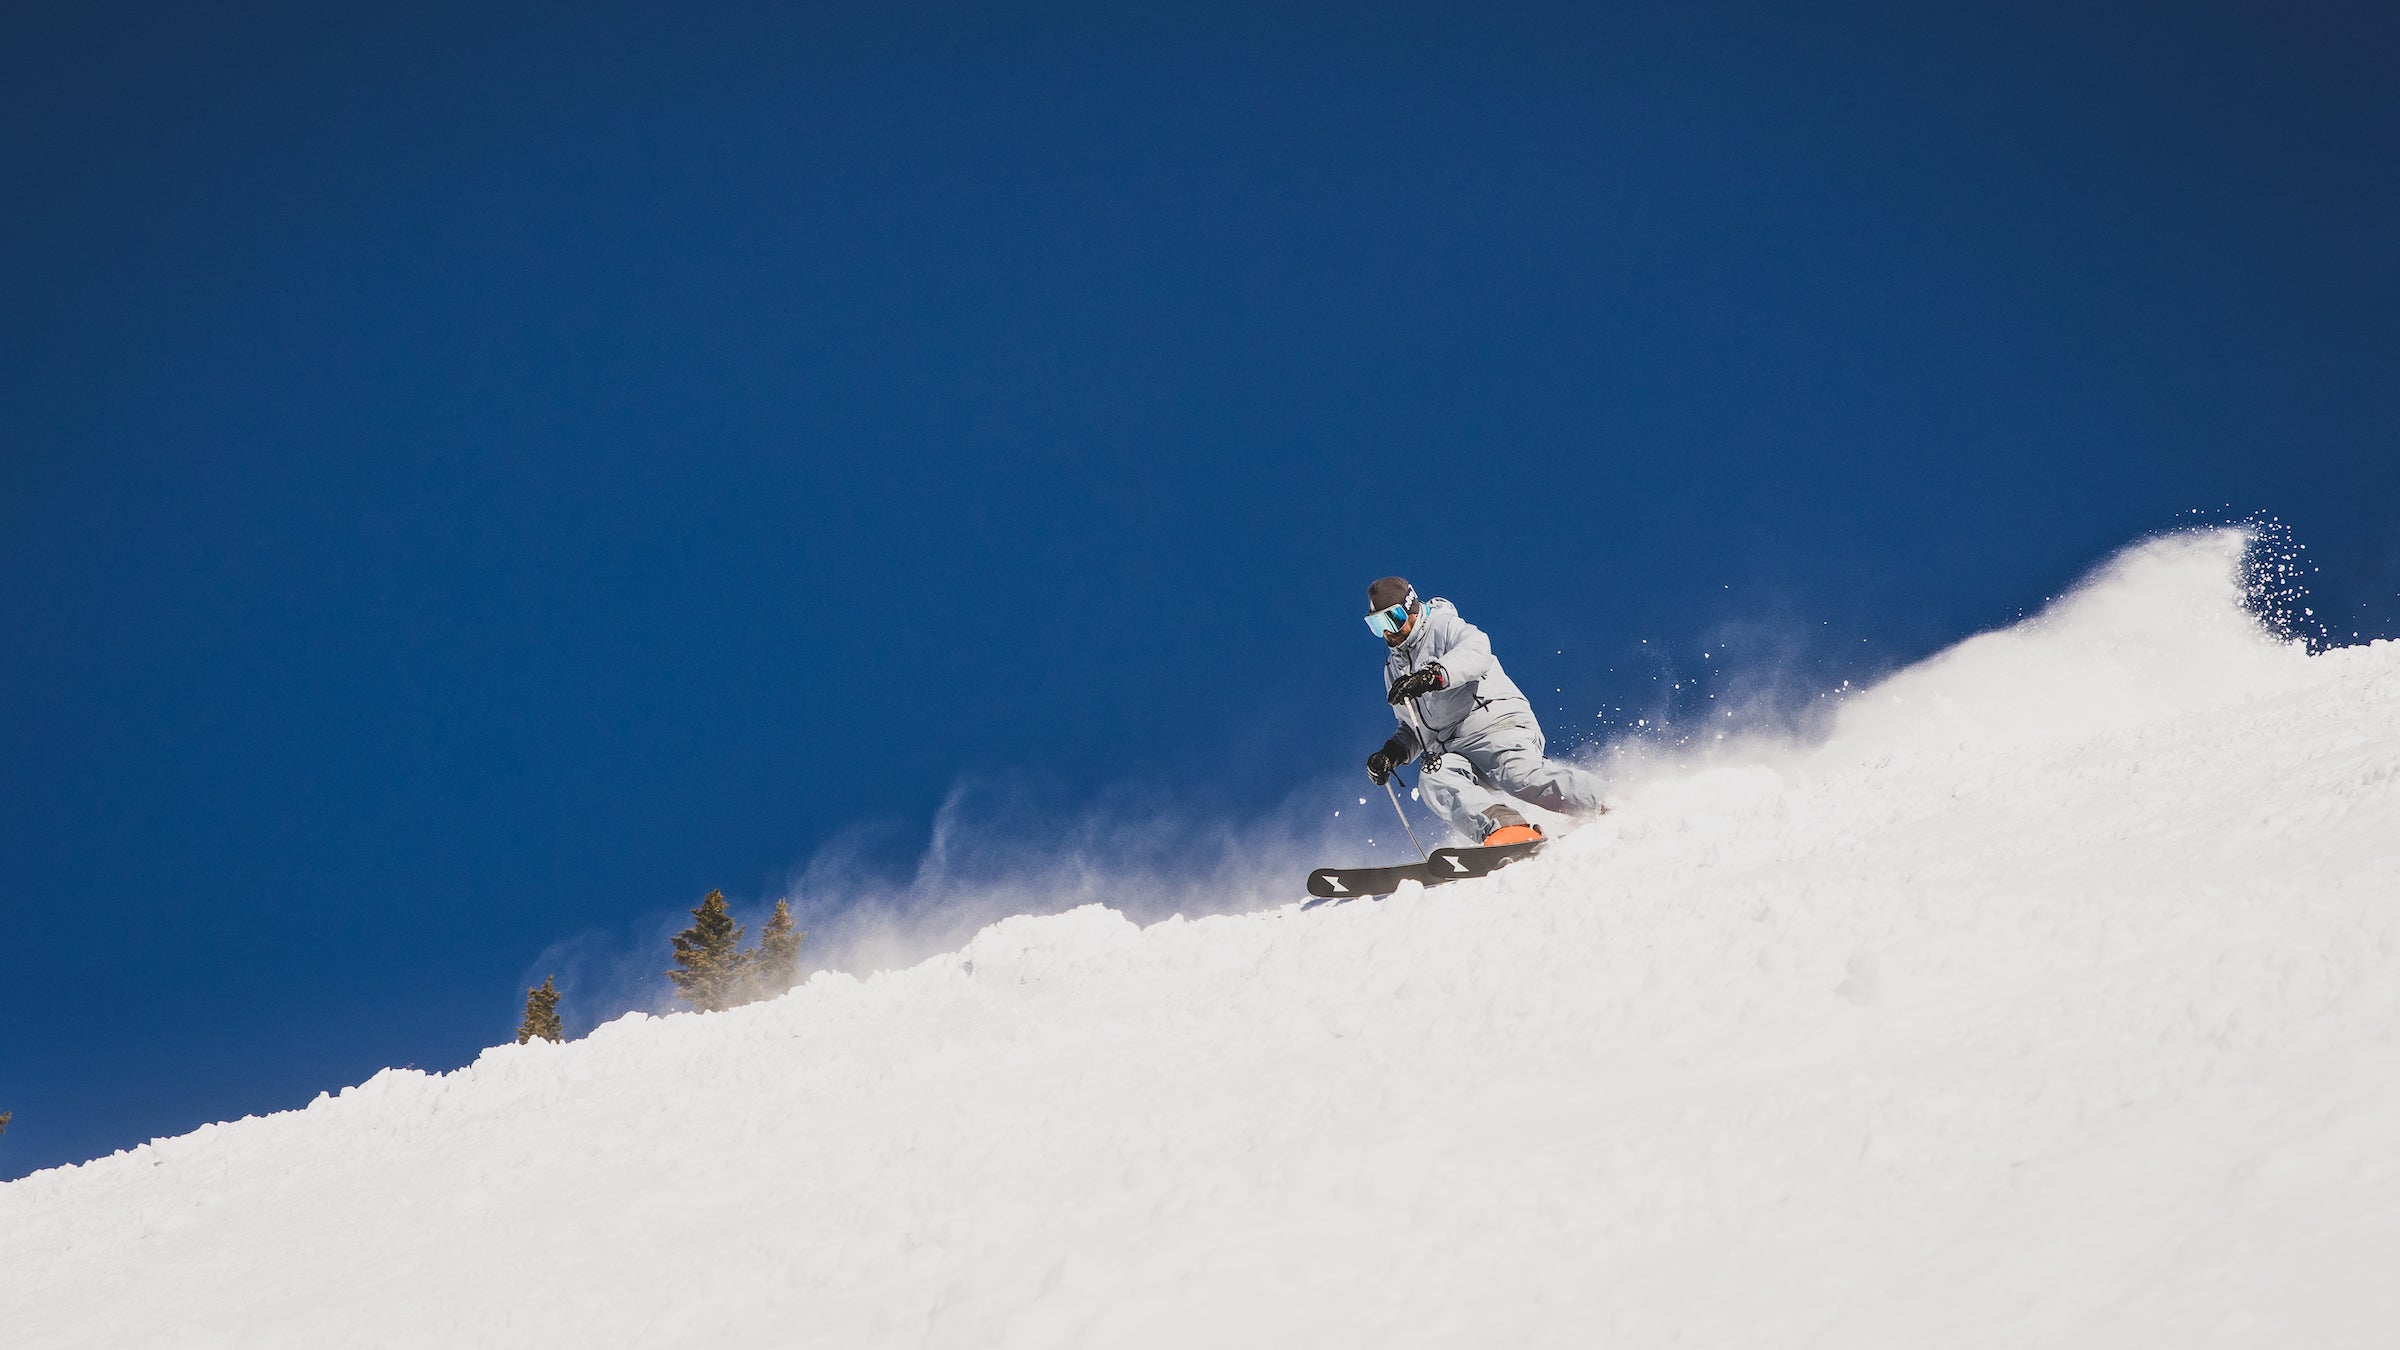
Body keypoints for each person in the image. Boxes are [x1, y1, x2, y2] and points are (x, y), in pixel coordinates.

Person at [1362, 576, 1608, 845]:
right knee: (1435, 779)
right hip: (1454, 750)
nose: (1387, 632)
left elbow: (1477, 649)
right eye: (1376, 625)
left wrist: (1433, 676)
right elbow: (1414, 726)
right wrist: (1391, 753)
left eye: (1392, 619)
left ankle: (1603, 803)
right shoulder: (1393, 670)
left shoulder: (1442, 626)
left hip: (1494, 726)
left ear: (1411, 608)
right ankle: (1506, 829)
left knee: (1517, 775)